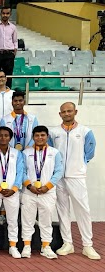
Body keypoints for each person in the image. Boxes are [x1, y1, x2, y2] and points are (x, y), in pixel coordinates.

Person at [51, 102, 101, 260]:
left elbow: (89, 153)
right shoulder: (54, 132)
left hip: (76, 176)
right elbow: (52, 153)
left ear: (75, 112)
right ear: (60, 114)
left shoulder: (85, 131)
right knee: (62, 210)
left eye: (69, 111)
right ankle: (68, 243)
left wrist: (79, 165)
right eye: (63, 112)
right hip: (59, 177)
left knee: (83, 210)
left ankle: (88, 245)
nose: (66, 114)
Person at [20, 125, 63, 259]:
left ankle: (46, 247)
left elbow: (59, 171)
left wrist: (48, 186)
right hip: (29, 192)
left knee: (46, 220)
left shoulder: (54, 152)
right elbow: (22, 171)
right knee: (27, 220)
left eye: (42, 135)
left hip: (47, 192)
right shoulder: (25, 153)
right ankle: (27, 246)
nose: (40, 138)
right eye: (37, 135)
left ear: (47, 137)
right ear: (33, 137)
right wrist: (29, 185)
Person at [0, 126, 24, 259]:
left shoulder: (17, 153)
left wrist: (14, 188)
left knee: (12, 220)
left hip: (12, 191)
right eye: (0, 135)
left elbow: (20, 172)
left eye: (6, 135)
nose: (3, 138)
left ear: (10, 138)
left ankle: (13, 246)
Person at [0, 7, 17, 89]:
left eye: (7, 13)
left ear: (10, 14)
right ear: (0, 14)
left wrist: (15, 51)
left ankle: (8, 92)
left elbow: (15, 40)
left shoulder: (13, 27)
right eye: (3, 13)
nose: (5, 15)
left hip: (9, 54)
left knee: (8, 76)